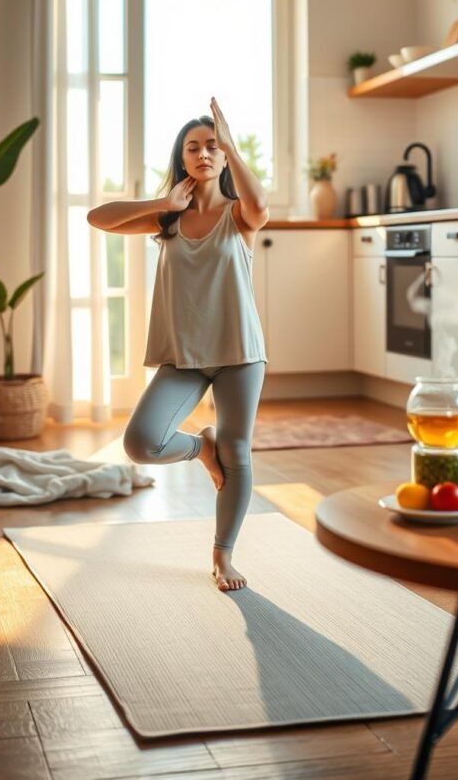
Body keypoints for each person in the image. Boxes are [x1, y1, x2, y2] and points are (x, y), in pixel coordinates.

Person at [87, 97, 268, 591]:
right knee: (141, 442)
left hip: (239, 354)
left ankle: (222, 555)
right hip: (183, 357)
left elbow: (262, 206)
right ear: (182, 158)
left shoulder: (240, 216)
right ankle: (199, 448)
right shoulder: (168, 219)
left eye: (213, 146)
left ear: (224, 155)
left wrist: (231, 141)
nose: (204, 153)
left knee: (238, 450)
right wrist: (161, 205)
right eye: (194, 147)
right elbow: (96, 217)